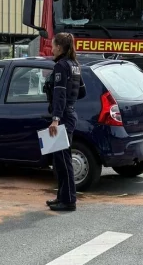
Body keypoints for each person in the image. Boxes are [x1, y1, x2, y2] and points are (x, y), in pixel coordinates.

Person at [44, 32, 86, 212]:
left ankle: (69, 201)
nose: (51, 49)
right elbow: (82, 92)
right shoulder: (75, 65)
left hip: (62, 118)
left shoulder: (61, 66)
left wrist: (55, 119)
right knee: (59, 158)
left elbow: (60, 95)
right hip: (69, 114)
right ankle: (62, 197)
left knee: (63, 160)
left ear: (60, 47)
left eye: (53, 46)